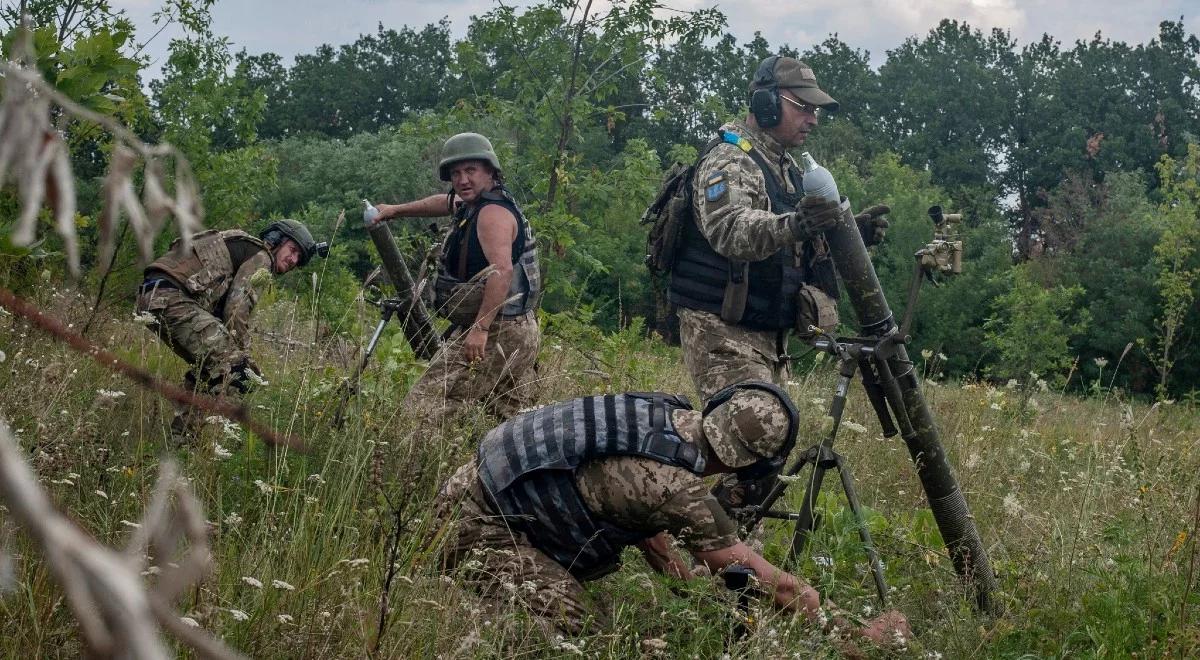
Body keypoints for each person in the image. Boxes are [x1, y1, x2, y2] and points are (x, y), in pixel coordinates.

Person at [431, 381, 910, 644]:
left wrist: (675, 574)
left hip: (471, 488)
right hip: (477, 532)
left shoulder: (661, 410)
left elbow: (633, 503)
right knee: (588, 637)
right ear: (753, 463)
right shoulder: (679, 491)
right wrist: (856, 632)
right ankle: (470, 621)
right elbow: (770, 581)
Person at [667, 55, 890, 508]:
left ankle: (735, 565)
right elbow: (730, 229)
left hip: (765, 333)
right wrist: (797, 224)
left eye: (816, 111)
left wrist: (845, 234)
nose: (812, 118)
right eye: (801, 106)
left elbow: (793, 241)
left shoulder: (783, 167)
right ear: (766, 105)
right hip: (722, 330)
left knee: (760, 459)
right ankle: (650, 489)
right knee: (757, 432)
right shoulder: (729, 159)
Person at [368, 132, 541, 426]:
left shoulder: (492, 214)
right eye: (456, 173)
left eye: (471, 170)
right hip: (518, 329)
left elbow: (502, 271)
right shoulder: (478, 203)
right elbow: (443, 202)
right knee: (506, 423)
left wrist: (480, 329)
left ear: (490, 171)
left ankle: (411, 470)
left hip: (499, 330)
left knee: (423, 408)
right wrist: (396, 211)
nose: (463, 180)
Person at [135, 219, 324, 441]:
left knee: (209, 368)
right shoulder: (262, 257)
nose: (293, 260)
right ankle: (213, 438)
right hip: (171, 298)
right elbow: (237, 311)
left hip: (152, 296)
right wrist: (245, 358)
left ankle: (183, 440)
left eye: (298, 257)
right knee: (240, 371)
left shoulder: (241, 245)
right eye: (292, 250)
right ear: (275, 240)